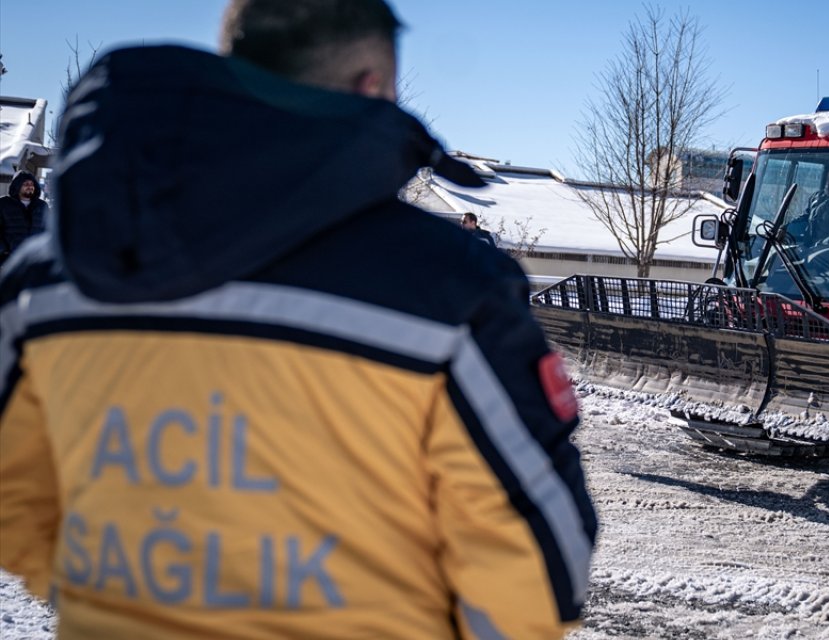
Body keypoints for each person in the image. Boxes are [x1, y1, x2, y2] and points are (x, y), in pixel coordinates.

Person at [0, 1, 596, 639]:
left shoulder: (43, 283)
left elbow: (15, 500)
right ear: (372, 88)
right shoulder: (448, 291)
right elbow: (542, 565)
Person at [0, 171, 47, 265]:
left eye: (32, 184)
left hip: (36, 260)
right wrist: (3, 250)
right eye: (25, 184)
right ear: (17, 186)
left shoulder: (42, 206)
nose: (30, 186)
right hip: (9, 260)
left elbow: (49, 230)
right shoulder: (4, 204)